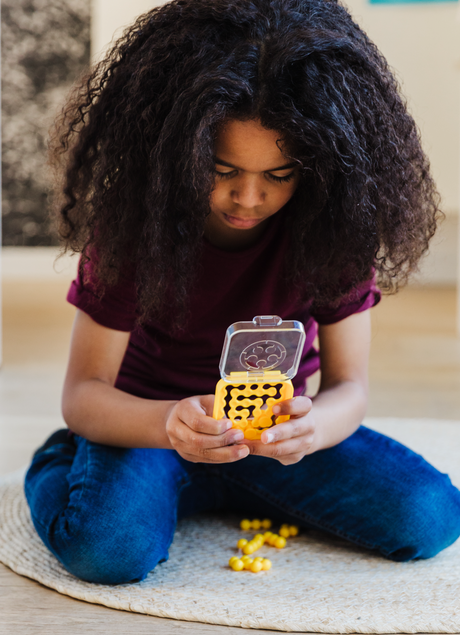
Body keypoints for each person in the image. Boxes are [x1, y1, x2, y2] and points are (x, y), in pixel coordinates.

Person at [25, 0, 460, 585]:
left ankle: (228, 489)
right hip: (151, 427)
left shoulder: (336, 229)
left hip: (270, 439)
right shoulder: (135, 227)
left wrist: (313, 428)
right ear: (180, 152)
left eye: (278, 176)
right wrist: (168, 424)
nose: (247, 199)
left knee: (430, 517)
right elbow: (84, 394)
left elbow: (349, 388)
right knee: (107, 549)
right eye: (222, 170)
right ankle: (62, 460)